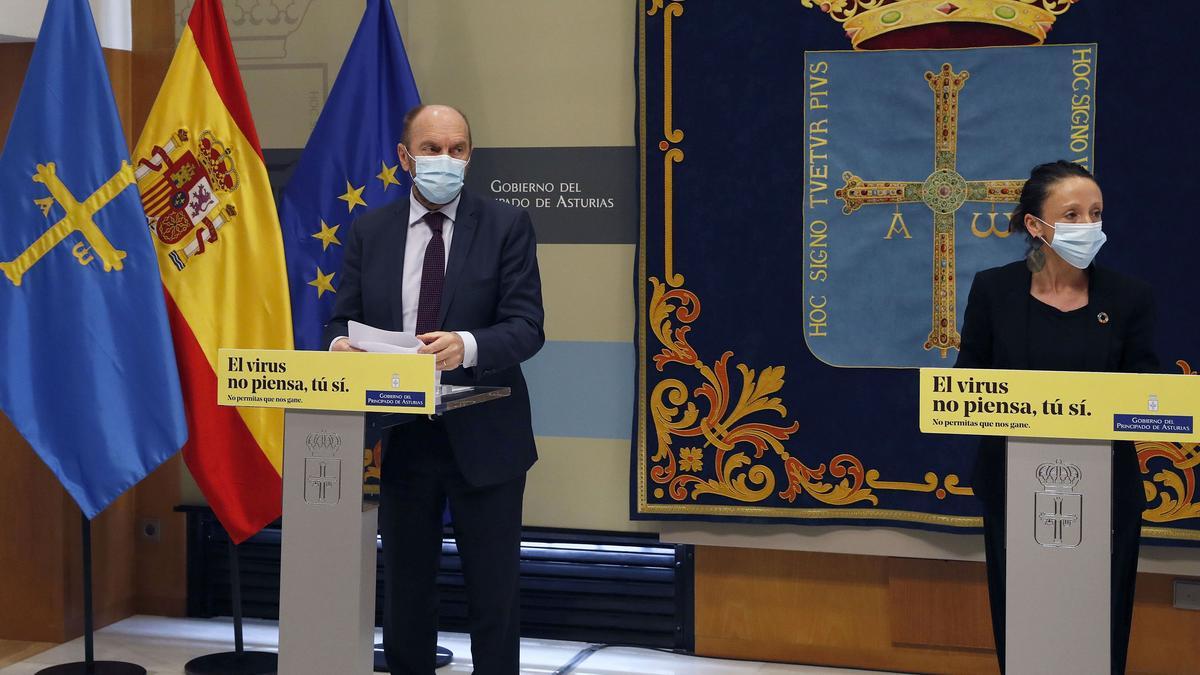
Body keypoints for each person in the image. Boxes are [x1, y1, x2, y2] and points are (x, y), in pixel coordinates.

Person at [323, 104, 544, 675]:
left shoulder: (506, 226)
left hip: (486, 435)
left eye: (456, 150)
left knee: (494, 594)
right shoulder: (370, 230)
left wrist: (465, 345)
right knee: (406, 593)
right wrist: (338, 349)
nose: (443, 160)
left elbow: (526, 327)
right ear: (404, 158)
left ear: (469, 157)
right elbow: (339, 321)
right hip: (400, 439)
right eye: (430, 149)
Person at [955, 160, 1158, 674]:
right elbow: (968, 383)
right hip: (1013, 485)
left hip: (1107, 492)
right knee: (1021, 611)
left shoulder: (1129, 297)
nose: (1088, 225)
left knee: (1099, 618)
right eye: (1072, 214)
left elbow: (1146, 390)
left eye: (1096, 213)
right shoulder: (994, 291)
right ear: (1035, 226)